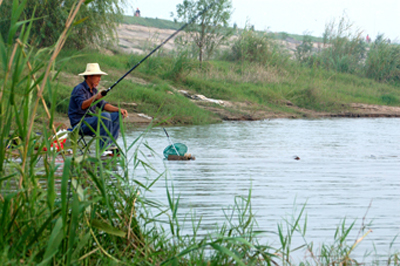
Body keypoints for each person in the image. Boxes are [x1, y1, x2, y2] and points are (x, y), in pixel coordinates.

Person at [68, 63, 128, 150]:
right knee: (105, 116)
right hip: (80, 124)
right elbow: (82, 105)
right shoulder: (79, 89)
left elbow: (103, 105)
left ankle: (111, 145)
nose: (99, 79)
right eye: (98, 76)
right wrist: (95, 97)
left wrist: (119, 109)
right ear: (89, 76)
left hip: (92, 122)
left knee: (117, 115)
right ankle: (104, 147)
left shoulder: (94, 91)